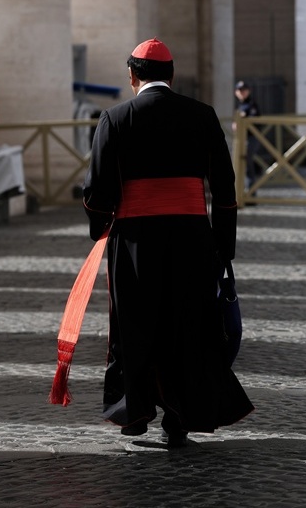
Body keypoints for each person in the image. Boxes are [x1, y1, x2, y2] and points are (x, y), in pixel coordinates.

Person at [82, 37, 254, 448]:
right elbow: (226, 189)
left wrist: (102, 225)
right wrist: (222, 247)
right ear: (171, 76)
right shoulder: (203, 115)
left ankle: (134, 415)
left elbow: (95, 192)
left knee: (135, 328)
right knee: (186, 327)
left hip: (135, 242)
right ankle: (179, 418)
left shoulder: (115, 118)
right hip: (192, 241)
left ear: (132, 77)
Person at [234, 80, 261, 193]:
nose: (242, 92)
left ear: (248, 91)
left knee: (247, 164)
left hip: (251, 138)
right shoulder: (241, 104)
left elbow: (254, 119)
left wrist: (244, 118)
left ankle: (251, 192)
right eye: (240, 90)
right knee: (243, 164)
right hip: (243, 138)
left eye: (244, 90)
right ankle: (245, 191)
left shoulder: (251, 104)